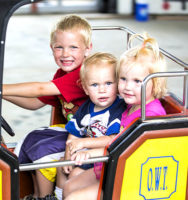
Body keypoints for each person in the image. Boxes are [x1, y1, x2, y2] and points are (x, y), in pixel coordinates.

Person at [62, 33, 167, 200]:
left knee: (73, 197)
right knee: (69, 186)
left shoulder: (150, 114)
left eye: (137, 81)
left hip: (130, 176)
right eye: (123, 79)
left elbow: (121, 144)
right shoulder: (131, 105)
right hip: (113, 167)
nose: (127, 87)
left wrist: (89, 152)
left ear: (155, 84)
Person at [2, 15, 92, 200]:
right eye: (59, 47)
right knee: (30, 139)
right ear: (52, 48)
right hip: (73, 130)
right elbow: (35, 102)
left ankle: (44, 197)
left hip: (90, 136)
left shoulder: (82, 74)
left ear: (88, 49)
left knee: (42, 149)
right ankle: (36, 195)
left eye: (73, 47)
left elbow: (40, 88)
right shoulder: (62, 73)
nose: (65, 54)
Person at [53, 52, 126, 200]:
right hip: (86, 155)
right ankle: (57, 196)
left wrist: (83, 142)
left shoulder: (117, 108)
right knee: (63, 165)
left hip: (104, 158)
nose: (102, 90)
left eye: (108, 83)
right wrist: (69, 155)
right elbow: (73, 133)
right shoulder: (86, 108)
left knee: (74, 174)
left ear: (118, 84)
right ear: (85, 88)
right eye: (94, 85)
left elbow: (111, 139)